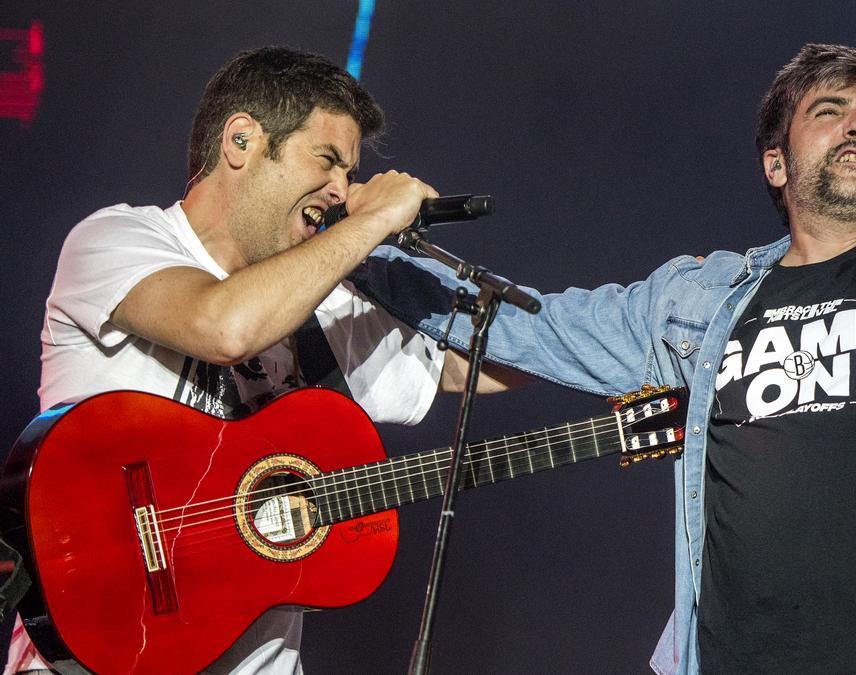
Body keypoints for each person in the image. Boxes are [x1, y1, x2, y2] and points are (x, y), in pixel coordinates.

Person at [355, 1, 856, 673]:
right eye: (830, 112)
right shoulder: (694, 299)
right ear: (777, 165)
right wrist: (351, 250)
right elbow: (518, 324)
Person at [8, 46, 513, 674]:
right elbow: (225, 326)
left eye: (349, 174)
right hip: (95, 656)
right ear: (242, 140)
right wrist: (375, 219)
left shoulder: (323, 306)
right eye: (327, 161)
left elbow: (481, 362)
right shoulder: (116, 240)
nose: (341, 190)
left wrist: (624, 335)